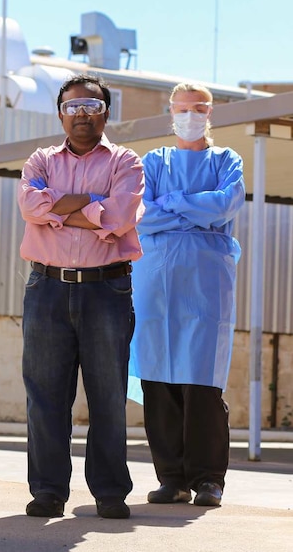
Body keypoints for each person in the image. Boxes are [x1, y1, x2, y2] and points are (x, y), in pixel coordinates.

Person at [17, 74, 144, 520]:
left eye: (91, 106)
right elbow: (29, 206)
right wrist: (93, 205)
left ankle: (110, 492)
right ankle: (48, 490)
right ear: (59, 113)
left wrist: (63, 207)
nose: (82, 114)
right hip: (46, 286)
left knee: (107, 395)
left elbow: (121, 215)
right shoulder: (40, 159)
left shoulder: (126, 161)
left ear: (106, 112)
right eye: (73, 107)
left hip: (107, 288)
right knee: (45, 396)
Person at [129, 83, 245, 507]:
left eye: (198, 108)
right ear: (170, 112)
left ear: (210, 113)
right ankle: (171, 478)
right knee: (159, 380)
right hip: (156, 281)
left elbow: (225, 204)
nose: (190, 115)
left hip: (206, 282)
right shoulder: (154, 161)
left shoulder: (226, 160)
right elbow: (141, 213)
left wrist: (172, 206)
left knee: (202, 384)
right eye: (183, 108)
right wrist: (193, 208)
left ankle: (208, 479)